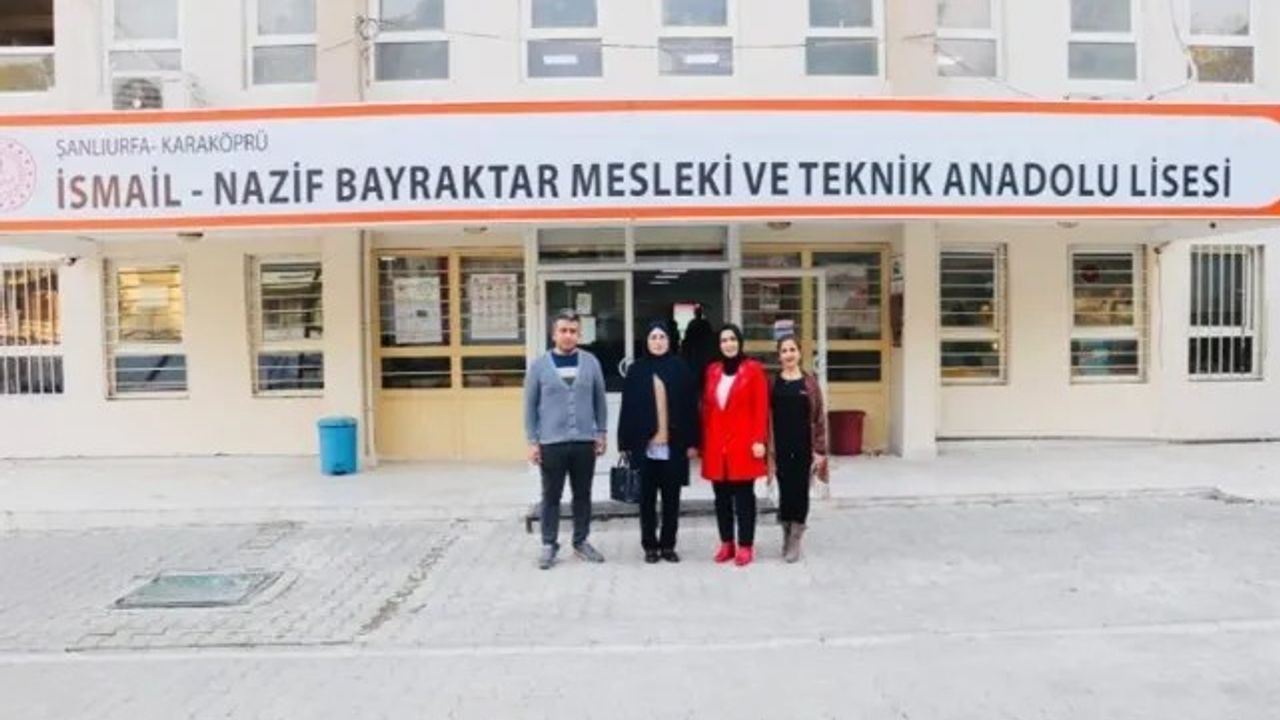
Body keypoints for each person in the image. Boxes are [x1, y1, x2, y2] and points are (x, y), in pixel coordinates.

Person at [524, 310, 608, 570]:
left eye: (573, 331)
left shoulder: (591, 363)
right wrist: (532, 441)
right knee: (551, 495)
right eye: (563, 331)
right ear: (554, 334)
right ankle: (549, 543)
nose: (568, 335)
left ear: (579, 334)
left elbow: (600, 400)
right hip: (551, 442)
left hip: (584, 441)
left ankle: (581, 540)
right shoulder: (539, 366)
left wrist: (601, 432)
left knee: (582, 494)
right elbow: (530, 406)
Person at [618, 321, 699, 564]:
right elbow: (627, 408)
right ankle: (650, 546)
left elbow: (690, 408)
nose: (658, 342)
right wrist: (625, 443)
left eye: (662, 337)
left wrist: (693, 442)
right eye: (653, 337)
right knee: (647, 500)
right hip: (645, 446)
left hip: (673, 445)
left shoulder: (680, 368)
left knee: (672, 500)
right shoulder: (637, 370)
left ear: (669, 340)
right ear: (646, 341)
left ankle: (668, 545)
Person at [700, 323, 770, 567]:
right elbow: (707, 408)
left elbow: (761, 407)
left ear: (739, 342)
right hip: (717, 444)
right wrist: (704, 441)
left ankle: (746, 545)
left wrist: (759, 439)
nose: (728, 344)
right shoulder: (713, 370)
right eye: (723, 340)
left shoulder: (753, 369)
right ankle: (726, 543)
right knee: (721, 498)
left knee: (744, 498)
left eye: (732, 339)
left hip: (744, 443)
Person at [769, 335, 829, 563]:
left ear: (800, 353)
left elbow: (819, 418)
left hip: (804, 447)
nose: (789, 354)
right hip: (781, 448)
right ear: (779, 356)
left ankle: (796, 537)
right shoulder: (773, 384)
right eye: (784, 351)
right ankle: (786, 533)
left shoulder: (810, 384)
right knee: (785, 493)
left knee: (800, 492)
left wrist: (820, 450)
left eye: (792, 350)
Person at [681, 305, 715, 394]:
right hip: (696, 350)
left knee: (703, 370)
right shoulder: (696, 323)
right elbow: (688, 337)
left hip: (702, 350)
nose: (697, 313)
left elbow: (709, 337)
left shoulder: (702, 323)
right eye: (697, 311)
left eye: (698, 311)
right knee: (696, 370)